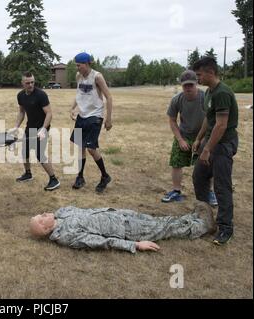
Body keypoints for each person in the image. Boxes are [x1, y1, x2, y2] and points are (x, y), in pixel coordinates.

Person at [29, 202, 216, 253]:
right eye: (42, 217)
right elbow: (102, 242)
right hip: (126, 231)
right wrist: (134, 245)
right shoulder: (67, 236)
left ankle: (191, 218)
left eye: (42, 213)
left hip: (119, 215)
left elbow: (90, 211)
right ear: (46, 230)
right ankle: (202, 227)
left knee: (160, 221)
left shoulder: (62, 212)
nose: (45, 213)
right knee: (164, 228)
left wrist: (117, 211)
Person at [191, 57, 239, 245]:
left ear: (211, 72)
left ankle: (225, 228)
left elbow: (221, 125)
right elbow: (209, 119)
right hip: (210, 142)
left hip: (223, 144)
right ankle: (205, 216)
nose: (198, 79)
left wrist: (207, 150)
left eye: (199, 75)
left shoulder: (222, 93)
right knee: (199, 177)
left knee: (221, 186)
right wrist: (199, 139)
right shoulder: (209, 92)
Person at [162, 70, 217, 206]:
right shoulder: (177, 99)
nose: (188, 88)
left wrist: (202, 140)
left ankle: (209, 192)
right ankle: (176, 191)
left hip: (203, 136)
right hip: (184, 135)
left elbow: (211, 120)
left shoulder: (205, 98)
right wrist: (180, 140)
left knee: (206, 164)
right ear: (181, 85)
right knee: (176, 163)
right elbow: (172, 121)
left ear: (196, 83)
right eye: (185, 85)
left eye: (191, 85)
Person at [69, 52, 113, 193]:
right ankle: (80, 177)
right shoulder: (78, 76)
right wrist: (72, 108)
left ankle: (105, 176)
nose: (77, 68)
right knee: (80, 147)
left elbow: (109, 96)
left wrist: (108, 118)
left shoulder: (97, 77)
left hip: (95, 116)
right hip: (82, 115)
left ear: (87, 63)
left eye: (79, 65)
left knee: (91, 148)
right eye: (76, 65)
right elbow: (79, 94)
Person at [10, 72, 60, 191]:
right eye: (27, 83)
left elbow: (49, 113)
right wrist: (16, 126)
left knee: (39, 154)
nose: (31, 84)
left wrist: (43, 129)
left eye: (32, 82)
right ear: (22, 83)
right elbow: (22, 112)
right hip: (30, 127)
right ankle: (28, 174)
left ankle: (54, 179)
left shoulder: (41, 95)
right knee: (24, 152)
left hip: (42, 128)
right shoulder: (21, 95)